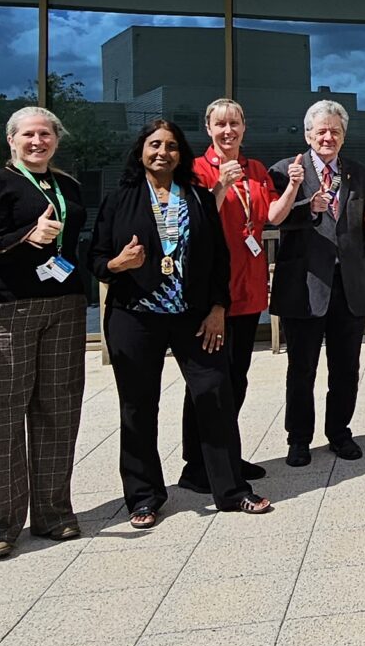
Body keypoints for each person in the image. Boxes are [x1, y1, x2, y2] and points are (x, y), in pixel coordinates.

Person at [92, 120, 268, 524]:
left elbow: (219, 260)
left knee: (215, 395)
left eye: (171, 146)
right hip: (135, 318)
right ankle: (143, 496)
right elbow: (96, 258)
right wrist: (119, 264)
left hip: (194, 316)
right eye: (155, 144)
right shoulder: (120, 200)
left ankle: (230, 489)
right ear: (141, 151)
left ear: (181, 154)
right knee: (138, 407)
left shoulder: (200, 198)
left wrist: (218, 308)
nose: (162, 152)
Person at [0, 106, 90, 562]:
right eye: (29, 135)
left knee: (59, 408)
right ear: (12, 141)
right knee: (0, 418)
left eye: (46, 135)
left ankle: (54, 513)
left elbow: (74, 245)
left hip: (65, 305)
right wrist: (29, 236)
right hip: (6, 307)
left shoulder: (69, 184)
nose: (38, 142)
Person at [180, 99, 278, 492]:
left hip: (247, 288)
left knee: (236, 379)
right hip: (211, 293)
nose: (228, 131)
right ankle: (195, 464)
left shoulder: (255, 170)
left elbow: (270, 216)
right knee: (207, 383)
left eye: (234, 123)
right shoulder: (196, 170)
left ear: (244, 127)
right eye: (220, 124)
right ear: (208, 128)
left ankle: (225, 454)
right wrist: (220, 185)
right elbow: (195, 222)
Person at [268, 99, 365, 466]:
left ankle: (339, 432)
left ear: (344, 136)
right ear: (308, 134)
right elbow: (273, 220)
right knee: (302, 368)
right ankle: (298, 439)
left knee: (345, 367)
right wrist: (305, 206)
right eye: (321, 131)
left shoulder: (358, 173)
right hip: (305, 285)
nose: (328, 137)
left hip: (350, 285)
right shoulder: (286, 170)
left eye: (335, 131)